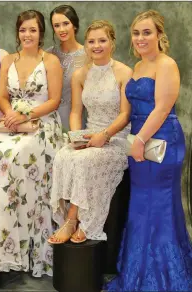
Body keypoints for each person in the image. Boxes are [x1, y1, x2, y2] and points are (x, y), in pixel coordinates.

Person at [0, 10, 63, 277]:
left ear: (41, 32)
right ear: (17, 32)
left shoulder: (51, 61)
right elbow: (2, 96)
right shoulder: (9, 60)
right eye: (23, 30)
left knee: (20, 153)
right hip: (12, 119)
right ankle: (1, 239)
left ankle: (32, 247)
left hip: (42, 122)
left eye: (33, 30)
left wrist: (27, 115)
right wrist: (11, 115)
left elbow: (55, 100)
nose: (27, 35)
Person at [106, 10, 192, 291]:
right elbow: (128, 111)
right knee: (141, 207)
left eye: (147, 32)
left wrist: (140, 141)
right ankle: (139, 271)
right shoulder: (138, 67)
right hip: (139, 142)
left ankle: (165, 275)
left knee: (160, 207)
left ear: (159, 35)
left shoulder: (166, 65)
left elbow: (163, 108)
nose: (141, 38)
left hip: (162, 143)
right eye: (136, 33)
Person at [48, 20, 132, 244]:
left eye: (102, 40)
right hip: (88, 135)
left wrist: (104, 136)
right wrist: (77, 138)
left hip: (115, 138)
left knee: (84, 161)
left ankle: (75, 220)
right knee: (63, 155)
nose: (97, 46)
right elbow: (76, 112)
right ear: (86, 45)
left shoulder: (124, 72)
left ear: (112, 43)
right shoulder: (80, 74)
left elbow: (125, 115)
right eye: (92, 41)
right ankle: (72, 218)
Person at [47, 5, 86, 131]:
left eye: (66, 23)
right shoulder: (48, 55)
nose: (61, 29)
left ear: (74, 25)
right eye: (57, 25)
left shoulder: (88, 55)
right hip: (49, 119)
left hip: (77, 119)